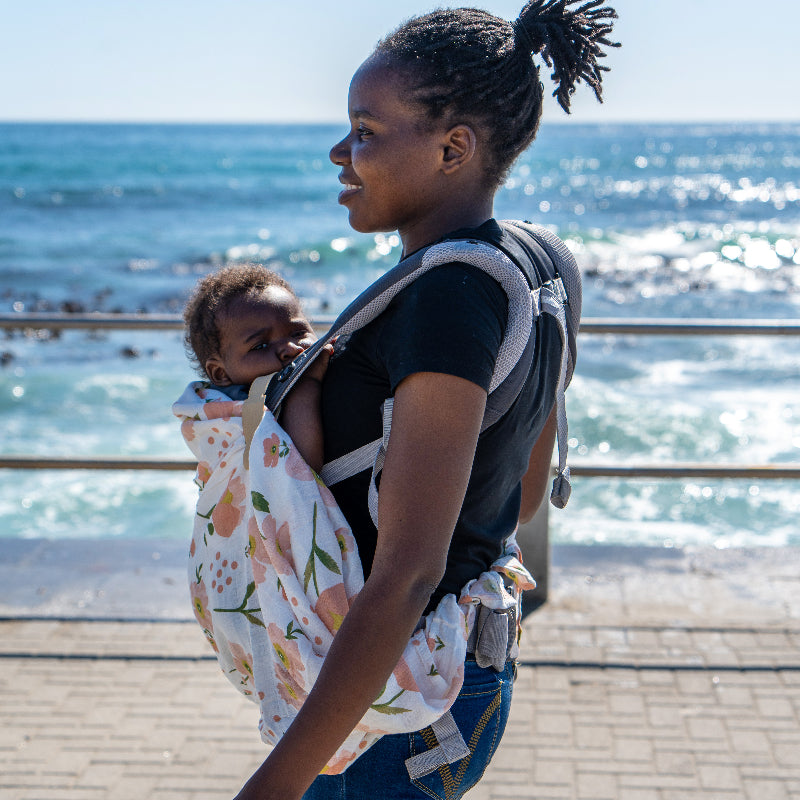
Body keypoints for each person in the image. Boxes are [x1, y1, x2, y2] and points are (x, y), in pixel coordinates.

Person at [234, 2, 618, 798]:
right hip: (465, 676)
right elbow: (522, 488)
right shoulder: (546, 261)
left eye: (366, 131)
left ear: (454, 148)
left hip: (404, 700)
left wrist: (271, 788)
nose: (341, 153)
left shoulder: (446, 298)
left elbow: (410, 575)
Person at [182, 263, 329, 471]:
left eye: (298, 333)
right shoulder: (240, 414)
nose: (290, 348)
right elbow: (301, 468)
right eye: (260, 346)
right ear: (220, 373)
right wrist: (308, 384)